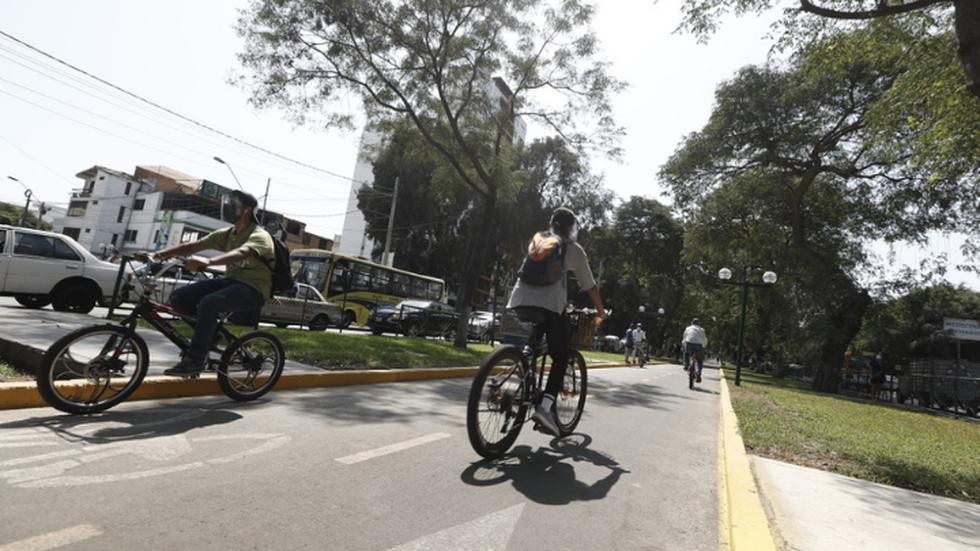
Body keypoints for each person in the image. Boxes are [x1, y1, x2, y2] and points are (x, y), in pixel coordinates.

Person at [139, 190, 274, 377]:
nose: (227, 208)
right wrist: (157, 255)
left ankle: (195, 359)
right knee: (179, 297)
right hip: (231, 282)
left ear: (246, 210)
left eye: (233, 205)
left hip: (254, 289)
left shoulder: (259, 235)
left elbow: (244, 252)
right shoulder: (227, 234)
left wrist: (209, 262)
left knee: (210, 302)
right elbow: (193, 246)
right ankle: (211, 335)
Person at [507, 207, 606, 437]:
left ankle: (523, 362)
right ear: (571, 228)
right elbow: (589, 285)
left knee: (535, 344)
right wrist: (601, 311)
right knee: (561, 356)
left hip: (519, 298)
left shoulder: (539, 239)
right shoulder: (573, 249)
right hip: (550, 304)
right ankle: (544, 408)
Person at [682, 318, 708, 383]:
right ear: (699, 323)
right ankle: (698, 372)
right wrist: (704, 346)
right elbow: (704, 339)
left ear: (691, 323)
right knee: (699, 360)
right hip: (698, 346)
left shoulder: (688, 328)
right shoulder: (702, 330)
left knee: (686, 353)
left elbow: (684, 337)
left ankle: (686, 365)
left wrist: (684, 344)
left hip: (689, 344)